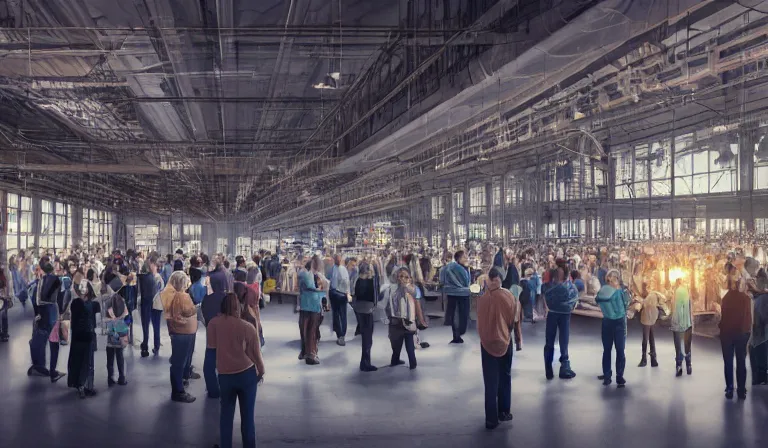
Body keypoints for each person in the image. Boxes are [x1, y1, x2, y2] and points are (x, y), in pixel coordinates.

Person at [207, 293, 265, 448]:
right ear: (238, 307)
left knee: (226, 416)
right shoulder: (247, 327)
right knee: (248, 418)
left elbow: (211, 353)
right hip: (247, 374)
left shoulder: (213, 324)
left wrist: (212, 383)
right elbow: (256, 356)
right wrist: (260, 372)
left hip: (225, 376)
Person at [476, 267, 517, 430]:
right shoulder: (508, 296)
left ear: (488, 279)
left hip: (486, 342)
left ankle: (491, 419)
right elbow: (513, 320)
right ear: (501, 278)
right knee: (505, 376)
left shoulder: (482, 298)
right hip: (504, 341)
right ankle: (504, 412)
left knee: (490, 381)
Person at [162, 271, 198, 403]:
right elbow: (189, 311)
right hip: (183, 333)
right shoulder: (182, 296)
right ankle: (178, 392)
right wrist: (196, 309)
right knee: (178, 363)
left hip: (179, 332)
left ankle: (179, 388)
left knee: (178, 362)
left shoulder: (171, 295)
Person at [719, 266, 753, 399]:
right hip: (741, 334)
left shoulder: (725, 298)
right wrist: (747, 334)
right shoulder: (745, 299)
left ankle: (729, 389)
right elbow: (747, 318)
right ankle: (741, 390)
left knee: (728, 362)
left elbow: (723, 317)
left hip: (727, 334)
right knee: (741, 362)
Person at [67, 270, 100, 397]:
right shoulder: (93, 305)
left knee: (77, 360)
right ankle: (88, 386)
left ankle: (78, 384)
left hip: (76, 336)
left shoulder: (74, 303)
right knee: (89, 362)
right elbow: (96, 322)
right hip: (88, 335)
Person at [595, 270, 630, 388]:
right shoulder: (618, 291)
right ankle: (609, 375)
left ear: (617, 279)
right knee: (609, 349)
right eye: (609, 279)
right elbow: (627, 304)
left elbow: (597, 300)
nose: (611, 281)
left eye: (613, 279)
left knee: (618, 350)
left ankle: (617, 376)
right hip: (613, 322)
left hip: (614, 322)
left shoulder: (610, 291)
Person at [543, 267, 578, 380]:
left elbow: (546, 295)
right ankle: (563, 368)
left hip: (554, 314)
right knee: (562, 340)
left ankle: (551, 369)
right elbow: (574, 300)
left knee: (554, 341)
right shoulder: (569, 287)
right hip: (563, 315)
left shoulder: (548, 286)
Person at [202, 264, 229, 399]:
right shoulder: (224, 276)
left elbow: (204, 291)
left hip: (210, 317)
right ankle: (222, 384)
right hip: (221, 317)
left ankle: (212, 387)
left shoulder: (207, 277)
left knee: (210, 351)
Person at [384, 267, 418, 369]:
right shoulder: (391, 289)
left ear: (410, 278)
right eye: (400, 276)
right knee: (395, 343)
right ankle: (395, 360)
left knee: (409, 344)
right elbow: (386, 305)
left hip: (408, 321)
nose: (402, 279)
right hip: (395, 320)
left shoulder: (412, 288)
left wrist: (407, 285)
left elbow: (416, 294)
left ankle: (413, 363)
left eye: (405, 277)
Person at [440, 250, 471, 344]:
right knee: (462, 315)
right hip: (463, 294)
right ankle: (459, 334)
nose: (466, 258)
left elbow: (442, 279)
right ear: (459, 258)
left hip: (451, 294)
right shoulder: (462, 269)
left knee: (454, 315)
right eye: (464, 257)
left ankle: (456, 336)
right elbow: (466, 282)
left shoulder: (449, 267)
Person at [298, 258, 324, 365]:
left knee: (305, 329)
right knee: (311, 331)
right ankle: (311, 355)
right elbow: (310, 286)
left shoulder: (302, 273)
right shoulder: (307, 274)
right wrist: (319, 289)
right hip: (312, 305)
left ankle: (305, 352)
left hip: (305, 304)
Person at [138, 257, 165, 357]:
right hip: (154, 305)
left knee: (154, 326)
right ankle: (155, 345)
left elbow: (159, 290)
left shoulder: (156, 278)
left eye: (153, 265)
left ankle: (155, 345)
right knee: (154, 326)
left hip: (154, 305)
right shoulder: (152, 277)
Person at [353, 261, 377, 371]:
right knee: (368, 339)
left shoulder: (358, 281)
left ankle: (365, 362)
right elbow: (374, 296)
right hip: (367, 311)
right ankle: (365, 363)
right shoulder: (370, 281)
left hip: (359, 310)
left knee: (365, 337)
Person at [105, 291, 129, 387]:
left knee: (110, 360)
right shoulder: (122, 301)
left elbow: (105, 319)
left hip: (111, 335)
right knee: (120, 357)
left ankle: (110, 378)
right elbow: (127, 317)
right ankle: (121, 378)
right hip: (120, 333)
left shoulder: (107, 303)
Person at [670, 277, 693, 377]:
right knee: (687, 345)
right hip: (687, 324)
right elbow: (689, 309)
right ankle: (688, 365)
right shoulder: (687, 292)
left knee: (678, 346)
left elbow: (674, 308)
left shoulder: (676, 292)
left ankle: (679, 366)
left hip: (677, 325)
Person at [329, 254, 351, 346]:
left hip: (341, 294)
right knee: (336, 314)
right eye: (336, 259)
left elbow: (347, 283)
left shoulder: (343, 269)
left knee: (342, 315)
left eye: (339, 259)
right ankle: (339, 334)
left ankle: (342, 336)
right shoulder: (332, 268)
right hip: (333, 293)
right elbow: (330, 279)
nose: (338, 261)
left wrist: (347, 294)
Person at [638, 281, 662, 367]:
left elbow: (644, 303)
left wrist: (639, 300)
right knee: (651, 338)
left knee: (646, 339)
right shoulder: (652, 294)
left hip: (648, 319)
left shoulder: (651, 295)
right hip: (651, 318)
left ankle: (644, 359)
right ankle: (653, 359)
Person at [751, 271, 768, 386]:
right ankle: (760, 378)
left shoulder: (759, 298)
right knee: (760, 356)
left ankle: (759, 378)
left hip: (758, 333)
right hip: (760, 333)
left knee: (758, 355)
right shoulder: (761, 298)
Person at [0, 255, 12, 342]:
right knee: (4, 316)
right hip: (3, 297)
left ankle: (4, 333)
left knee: (4, 315)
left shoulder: (3, 273)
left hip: (2, 297)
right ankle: (4, 333)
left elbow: (6, 285)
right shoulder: (3, 272)